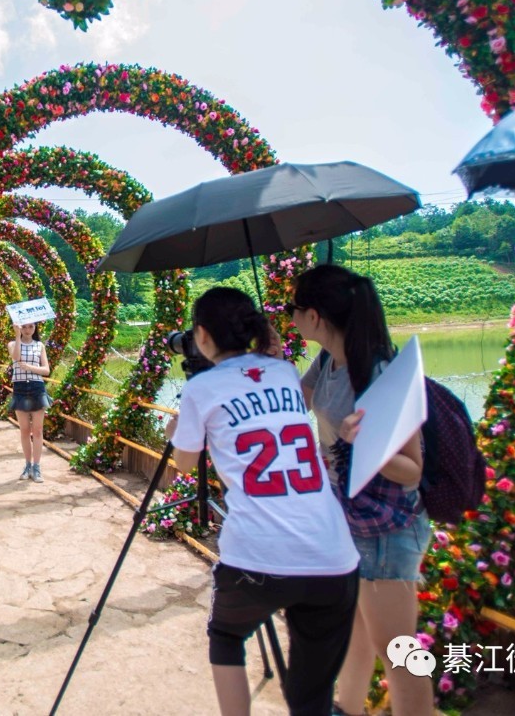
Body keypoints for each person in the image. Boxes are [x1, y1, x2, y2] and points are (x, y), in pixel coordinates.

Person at [165, 287, 359, 716]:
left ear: (201, 335)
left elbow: (183, 463)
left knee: (228, 636)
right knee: (311, 698)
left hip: (257, 554)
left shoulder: (202, 388)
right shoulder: (286, 372)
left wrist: (175, 429)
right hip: (332, 554)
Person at [291, 264, 432, 716]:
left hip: (387, 531)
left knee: (399, 654)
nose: (290, 318)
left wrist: (364, 442)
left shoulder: (379, 373)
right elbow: (297, 403)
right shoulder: (329, 360)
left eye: (294, 310)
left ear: (314, 316)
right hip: (351, 521)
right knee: (355, 632)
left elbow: (411, 470)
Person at [8, 321, 52, 483]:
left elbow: (46, 370)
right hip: (20, 388)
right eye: (24, 327)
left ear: (35, 328)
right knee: (25, 430)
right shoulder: (13, 343)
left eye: (31, 327)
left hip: (37, 388)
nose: (27, 330)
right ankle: (27, 465)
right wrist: (17, 334)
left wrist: (30, 368)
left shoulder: (39, 345)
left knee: (38, 431)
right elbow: (15, 357)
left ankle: (37, 466)